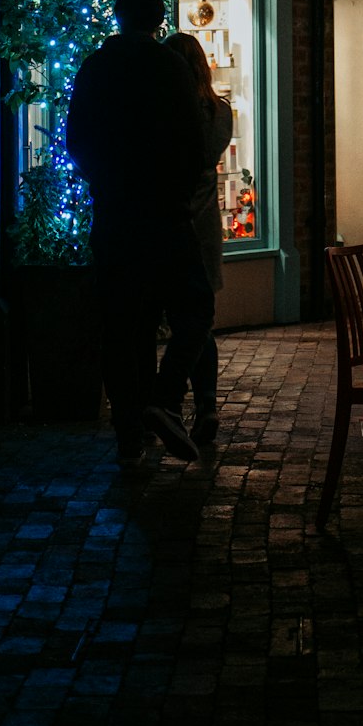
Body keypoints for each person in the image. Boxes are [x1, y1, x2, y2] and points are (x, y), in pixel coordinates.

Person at [66, 0, 214, 467]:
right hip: (166, 217)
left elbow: (77, 142)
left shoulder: (95, 67)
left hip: (114, 216)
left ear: (117, 12)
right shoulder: (170, 68)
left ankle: (130, 434)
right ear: (158, 17)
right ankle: (165, 399)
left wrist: (106, 183)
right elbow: (196, 147)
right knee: (194, 309)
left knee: (123, 327)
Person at [164, 33, 233, 445]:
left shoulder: (172, 114)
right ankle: (206, 404)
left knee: (184, 321)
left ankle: (166, 401)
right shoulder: (218, 111)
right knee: (200, 321)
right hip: (206, 228)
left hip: (171, 225)